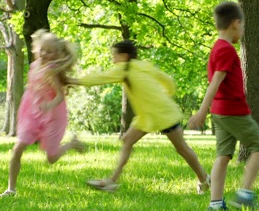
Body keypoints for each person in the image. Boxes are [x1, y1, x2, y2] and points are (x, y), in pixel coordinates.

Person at [66, 40, 209, 193]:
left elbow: (99, 78)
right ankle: (111, 182)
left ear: (124, 56)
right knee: (127, 140)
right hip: (150, 114)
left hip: (161, 114)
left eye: (115, 56)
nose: (113, 60)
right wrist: (167, 95)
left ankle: (204, 179)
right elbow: (169, 81)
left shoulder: (123, 69)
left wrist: (73, 80)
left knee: (182, 149)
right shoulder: (144, 65)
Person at [188, 1, 259, 211]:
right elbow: (216, 81)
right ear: (235, 23)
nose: (242, 31)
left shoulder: (216, 48)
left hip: (220, 113)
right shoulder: (226, 50)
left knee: (223, 156)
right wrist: (201, 111)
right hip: (233, 111)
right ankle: (245, 195)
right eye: (242, 26)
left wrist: (208, 110)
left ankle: (215, 203)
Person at [1, 30, 86, 197]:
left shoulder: (51, 71)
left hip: (51, 115)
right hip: (31, 112)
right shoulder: (34, 65)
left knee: (51, 158)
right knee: (18, 147)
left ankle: (72, 144)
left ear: (57, 55)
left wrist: (49, 105)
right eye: (43, 49)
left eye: (50, 51)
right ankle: (11, 188)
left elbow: (60, 96)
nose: (45, 54)